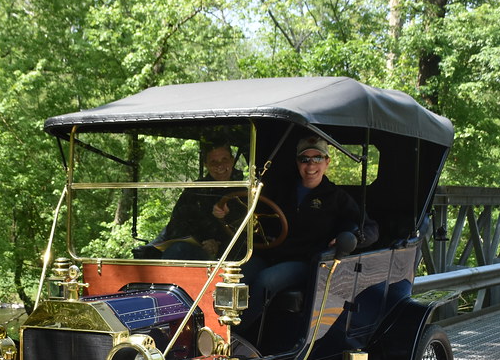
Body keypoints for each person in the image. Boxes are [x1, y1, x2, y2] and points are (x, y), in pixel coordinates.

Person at [235, 134, 378, 335]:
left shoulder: (337, 197)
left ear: (327, 162)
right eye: (304, 159)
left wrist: (351, 238)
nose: (310, 165)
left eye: (317, 158)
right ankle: (215, 329)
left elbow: (371, 229)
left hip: (305, 261)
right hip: (270, 254)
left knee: (266, 281)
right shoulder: (281, 190)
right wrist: (227, 212)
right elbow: (251, 213)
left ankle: (236, 335)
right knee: (236, 275)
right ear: (297, 162)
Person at [154, 144, 241, 260]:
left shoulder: (247, 189)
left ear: (232, 160)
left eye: (224, 159)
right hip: (198, 251)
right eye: (213, 162)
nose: (219, 165)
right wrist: (202, 242)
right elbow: (176, 225)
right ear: (206, 165)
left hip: (238, 253)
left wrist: (229, 216)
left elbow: (250, 230)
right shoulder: (195, 191)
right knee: (177, 250)